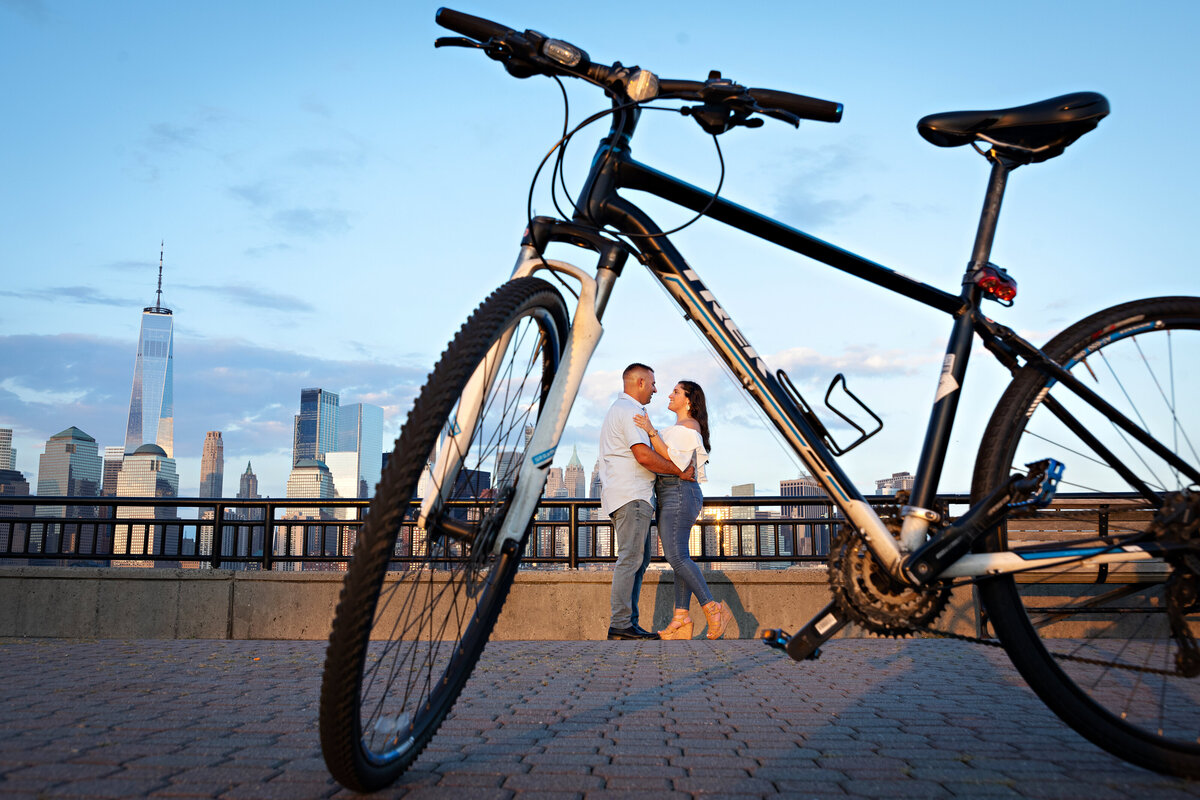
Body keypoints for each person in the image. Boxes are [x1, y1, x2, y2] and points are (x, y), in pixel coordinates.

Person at [599, 363, 695, 640]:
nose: (656, 389)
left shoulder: (625, 411)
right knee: (630, 559)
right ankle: (620, 625)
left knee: (638, 561)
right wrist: (679, 470)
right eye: (653, 383)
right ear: (640, 382)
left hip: (629, 496)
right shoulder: (629, 411)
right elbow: (642, 455)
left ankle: (628, 624)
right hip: (631, 496)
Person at [633, 380, 733, 640]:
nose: (669, 394)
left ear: (689, 400)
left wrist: (650, 431)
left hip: (679, 492)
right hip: (672, 493)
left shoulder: (689, 427)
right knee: (680, 557)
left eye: (676, 392)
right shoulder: (680, 427)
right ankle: (680, 620)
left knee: (676, 557)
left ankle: (714, 610)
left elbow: (674, 460)